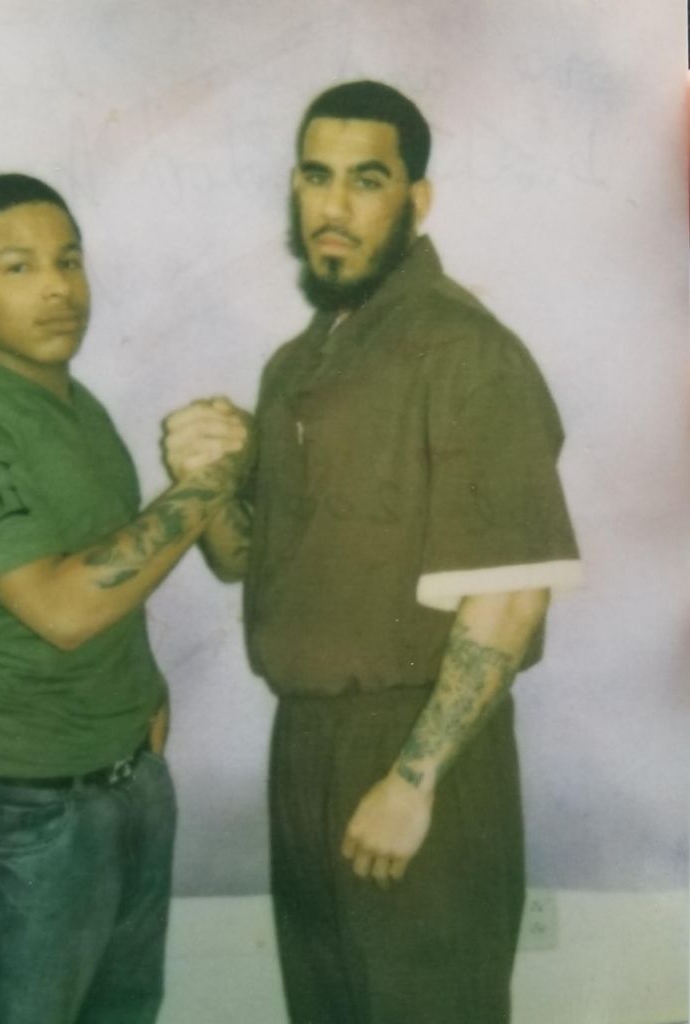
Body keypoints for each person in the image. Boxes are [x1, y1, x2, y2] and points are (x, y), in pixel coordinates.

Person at [164, 81, 583, 1024]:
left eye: (366, 180)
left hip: (419, 745)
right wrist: (209, 477)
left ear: (415, 199)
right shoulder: (299, 365)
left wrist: (413, 779)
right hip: (304, 745)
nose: (335, 206)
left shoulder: (464, 352)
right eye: (317, 177)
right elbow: (244, 559)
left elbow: (512, 598)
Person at [0, 173, 248, 1024]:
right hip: (10, 806)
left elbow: (183, 565)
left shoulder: (78, 409)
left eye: (69, 261)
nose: (58, 288)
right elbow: (63, 610)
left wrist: (226, 467)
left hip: (126, 785)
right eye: (19, 266)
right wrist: (198, 489)